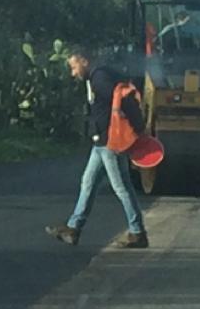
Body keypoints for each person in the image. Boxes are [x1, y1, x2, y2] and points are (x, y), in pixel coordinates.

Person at [45, 50, 149, 249]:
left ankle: (137, 232)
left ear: (84, 61)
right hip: (101, 142)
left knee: (122, 188)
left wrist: (136, 129)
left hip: (110, 142)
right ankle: (73, 229)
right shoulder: (96, 76)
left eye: (74, 67)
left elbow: (123, 100)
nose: (73, 73)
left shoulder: (100, 78)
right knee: (88, 182)